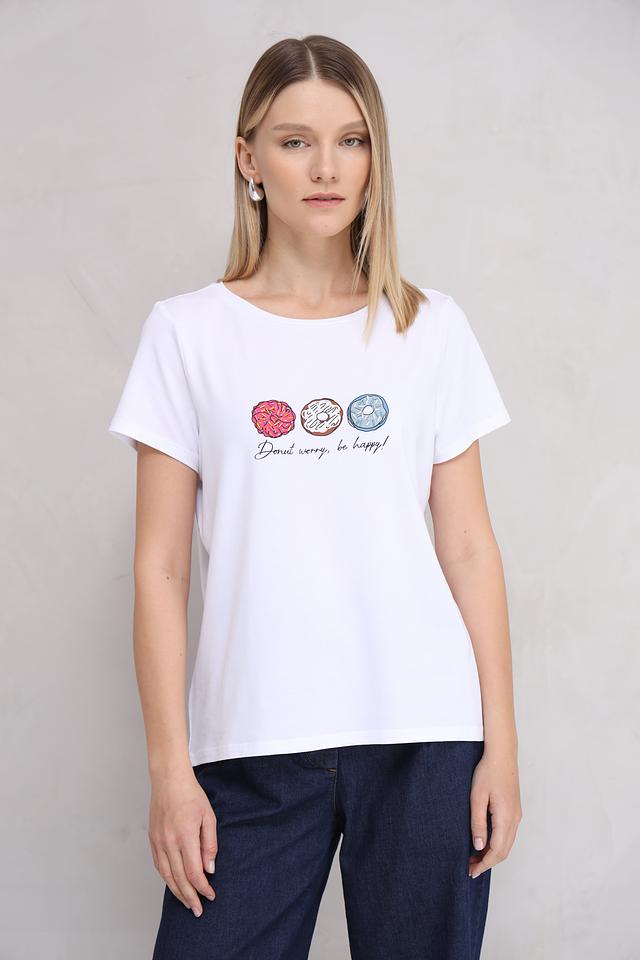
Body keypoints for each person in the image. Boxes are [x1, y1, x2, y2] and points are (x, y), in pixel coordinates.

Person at [108, 33, 522, 960]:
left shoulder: (429, 328)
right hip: (250, 741)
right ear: (249, 160)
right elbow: (161, 567)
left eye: (351, 140)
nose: (327, 168)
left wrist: (501, 742)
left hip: (425, 733)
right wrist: (170, 770)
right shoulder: (187, 334)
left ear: (376, 158)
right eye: (295, 142)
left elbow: (468, 548)